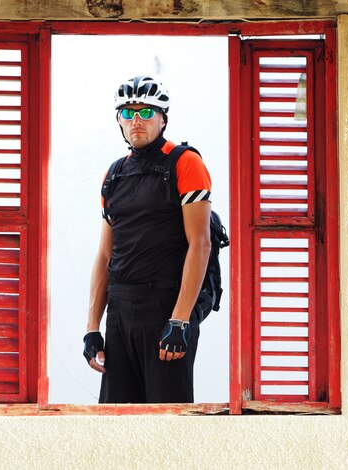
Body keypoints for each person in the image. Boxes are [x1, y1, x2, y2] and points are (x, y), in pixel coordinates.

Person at [83, 76, 212, 404]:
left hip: (166, 308)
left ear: (163, 117)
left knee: (167, 418)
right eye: (127, 113)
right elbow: (104, 256)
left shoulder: (185, 163)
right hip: (121, 310)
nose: (136, 120)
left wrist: (181, 319)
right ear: (119, 122)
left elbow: (201, 244)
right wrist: (92, 327)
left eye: (145, 111)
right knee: (116, 419)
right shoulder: (113, 175)